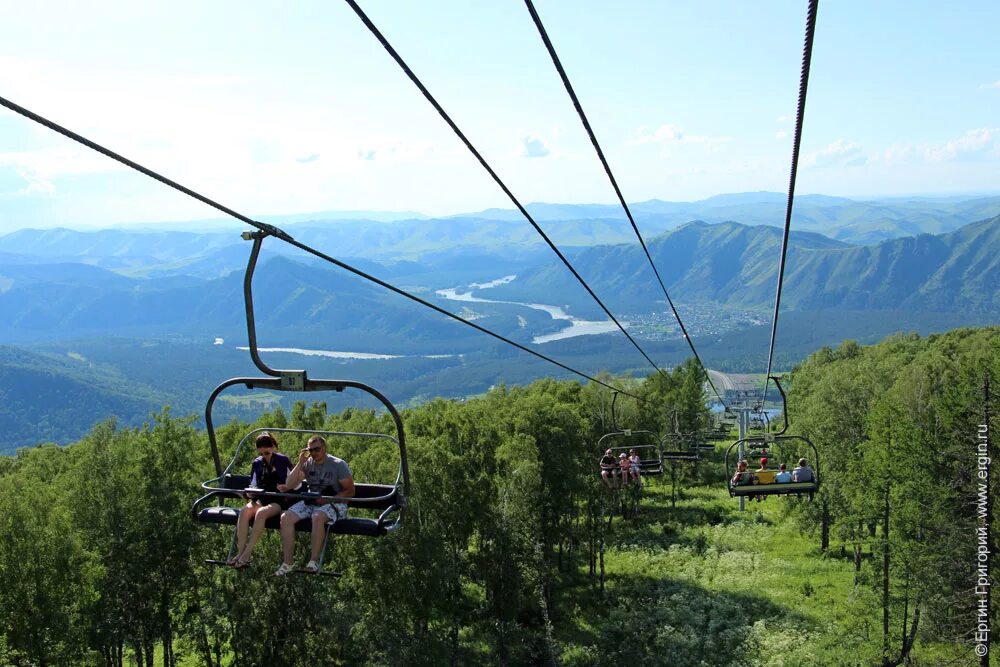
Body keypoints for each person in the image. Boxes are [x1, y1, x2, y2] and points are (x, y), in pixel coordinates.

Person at [275, 435, 355, 575]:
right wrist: (300, 463)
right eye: (309, 450)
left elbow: (350, 490)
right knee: (285, 517)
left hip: (335, 502)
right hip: (313, 501)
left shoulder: (338, 465)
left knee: (317, 517)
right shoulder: (308, 463)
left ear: (324, 449)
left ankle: (313, 562)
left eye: (316, 449)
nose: (313, 453)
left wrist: (328, 499)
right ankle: (288, 562)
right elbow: (290, 484)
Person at [229, 432, 294, 568]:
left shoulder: (283, 461)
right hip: (262, 498)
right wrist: (250, 493)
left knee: (261, 513)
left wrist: (286, 487)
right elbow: (253, 483)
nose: (265, 455)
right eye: (262, 452)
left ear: (272, 447)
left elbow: (295, 482)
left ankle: (247, 553)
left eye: (267, 452)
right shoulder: (257, 463)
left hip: (279, 500)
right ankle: (240, 551)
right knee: (245, 511)